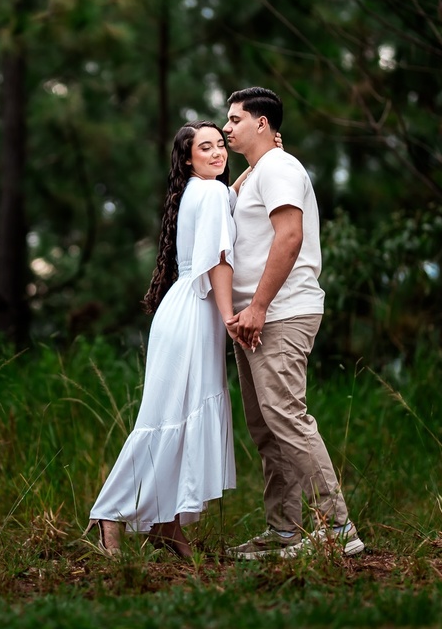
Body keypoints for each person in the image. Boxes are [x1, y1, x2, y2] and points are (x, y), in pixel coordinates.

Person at [221, 87, 364, 559]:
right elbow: (240, 204)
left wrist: (258, 306)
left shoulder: (280, 167)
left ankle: (338, 528)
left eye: (235, 119)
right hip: (253, 319)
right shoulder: (264, 169)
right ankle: (284, 531)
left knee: (287, 417)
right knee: (266, 426)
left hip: (280, 313)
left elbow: (290, 236)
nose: (226, 128)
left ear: (262, 123)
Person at [86, 120, 238, 558]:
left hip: (183, 309)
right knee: (167, 419)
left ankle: (165, 523)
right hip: (195, 313)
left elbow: (229, 195)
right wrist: (230, 316)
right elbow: (220, 259)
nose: (217, 153)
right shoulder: (209, 193)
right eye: (205, 148)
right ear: (188, 159)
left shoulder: (200, 191)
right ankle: (109, 514)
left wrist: (252, 167)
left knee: (182, 417)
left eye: (221, 145)